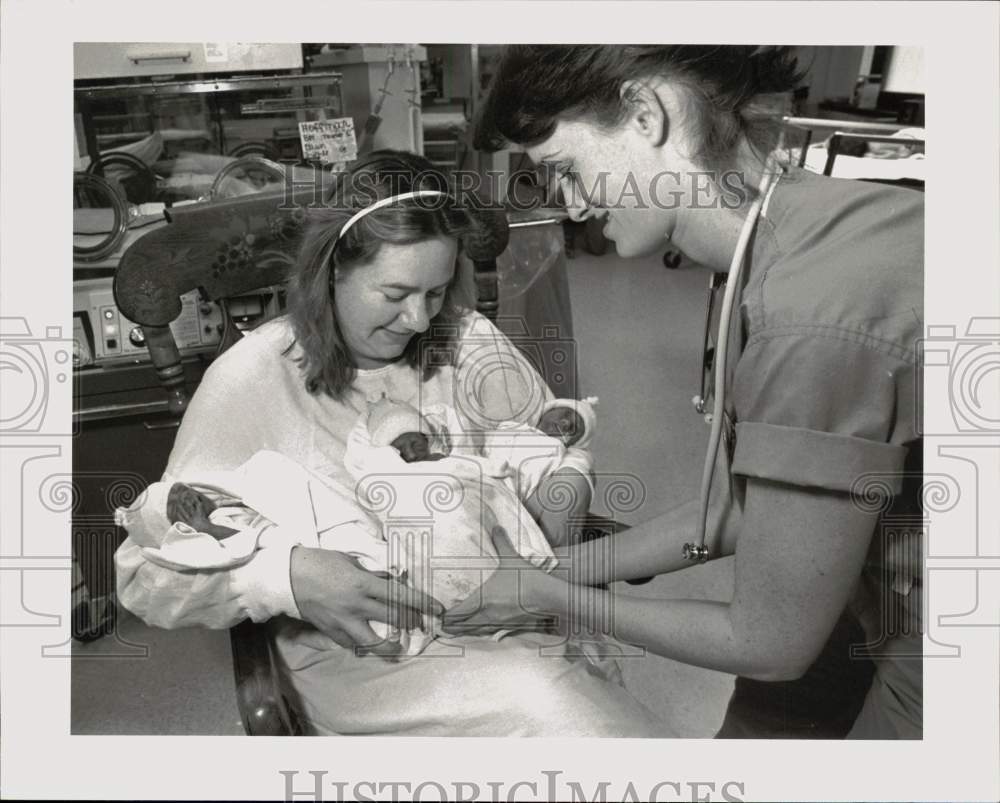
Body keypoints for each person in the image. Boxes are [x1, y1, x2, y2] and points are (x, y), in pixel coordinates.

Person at [443, 45, 923, 740]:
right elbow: (742, 508)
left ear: (646, 113)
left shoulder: (812, 311)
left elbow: (770, 641)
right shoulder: (790, 232)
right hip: (865, 573)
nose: (570, 204)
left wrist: (545, 593)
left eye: (564, 170)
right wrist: (563, 564)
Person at [114, 149, 670, 737]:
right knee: (558, 710)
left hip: (517, 613)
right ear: (332, 271)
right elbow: (143, 575)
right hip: (375, 659)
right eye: (395, 293)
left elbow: (550, 441)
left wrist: (565, 488)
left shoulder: (469, 340)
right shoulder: (254, 378)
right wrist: (289, 576)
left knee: (574, 709)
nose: (419, 320)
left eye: (435, 292)